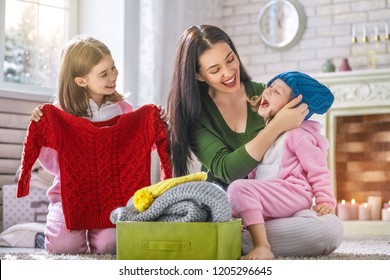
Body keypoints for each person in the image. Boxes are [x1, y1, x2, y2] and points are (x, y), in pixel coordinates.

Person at [167, 25, 343, 258]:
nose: (229, 73)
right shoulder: (196, 118)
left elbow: (314, 159)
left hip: (279, 208)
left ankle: (241, 241)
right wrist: (278, 125)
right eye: (215, 69)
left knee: (330, 229)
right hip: (232, 208)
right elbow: (228, 170)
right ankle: (245, 237)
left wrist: (324, 201)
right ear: (199, 76)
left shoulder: (269, 96)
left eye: (230, 60)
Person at [27, 35, 169, 254]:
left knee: (110, 245)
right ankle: (43, 236)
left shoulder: (123, 109)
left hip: (113, 197)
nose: (113, 76)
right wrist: (42, 125)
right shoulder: (60, 114)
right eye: (104, 73)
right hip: (69, 197)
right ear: (81, 81)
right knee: (64, 247)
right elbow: (53, 164)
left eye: (113, 68)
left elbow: (138, 148)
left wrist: (157, 122)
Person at [227, 71, 336, 260]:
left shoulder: (298, 135)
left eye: (276, 92)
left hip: (293, 193)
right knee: (233, 198)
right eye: (269, 87)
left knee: (237, 188)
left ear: (294, 108)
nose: (267, 92)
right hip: (273, 198)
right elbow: (255, 177)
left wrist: (325, 201)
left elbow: (318, 170)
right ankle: (250, 232)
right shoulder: (264, 136)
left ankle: (262, 246)